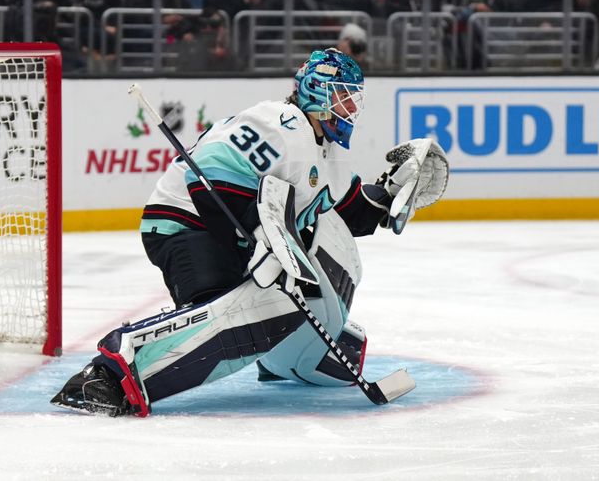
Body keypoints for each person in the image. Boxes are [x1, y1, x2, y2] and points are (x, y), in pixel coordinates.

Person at [51, 48, 449, 416]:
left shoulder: (325, 151)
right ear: (317, 91)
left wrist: (391, 192)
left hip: (227, 236)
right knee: (234, 312)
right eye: (343, 95)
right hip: (187, 224)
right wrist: (261, 236)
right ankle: (105, 374)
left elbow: (346, 215)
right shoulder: (279, 122)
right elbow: (209, 174)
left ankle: (281, 359)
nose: (350, 107)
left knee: (266, 308)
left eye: (353, 98)